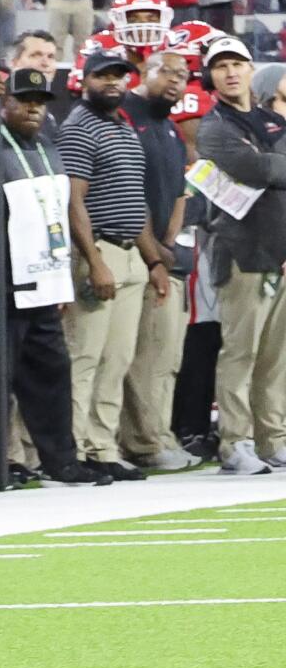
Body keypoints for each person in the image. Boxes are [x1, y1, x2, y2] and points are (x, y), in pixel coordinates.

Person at [0, 70, 116, 489]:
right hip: (3, 277)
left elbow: (58, 209)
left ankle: (61, 461)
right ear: (5, 103)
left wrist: (61, 277)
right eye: (23, 99)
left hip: (44, 278)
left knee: (52, 374)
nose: (34, 107)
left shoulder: (48, 147)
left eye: (40, 100)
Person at [59, 50, 171, 480]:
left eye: (119, 76)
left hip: (129, 255)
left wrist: (153, 260)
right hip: (100, 250)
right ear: (84, 79)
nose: (112, 82)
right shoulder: (79, 127)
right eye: (103, 75)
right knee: (85, 356)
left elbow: (134, 199)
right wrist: (93, 262)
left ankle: (102, 446)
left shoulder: (123, 125)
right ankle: (75, 450)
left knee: (117, 360)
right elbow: (74, 201)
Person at [194, 36, 286, 474]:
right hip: (241, 252)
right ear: (210, 76)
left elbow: (270, 171)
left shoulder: (271, 121)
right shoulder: (214, 127)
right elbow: (257, 170)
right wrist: (269, 164)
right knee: (241, 352)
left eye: (238, 63)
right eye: (220, 66)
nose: (230, 72)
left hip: (280, 252)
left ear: (252, 70)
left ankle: (273, 438)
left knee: (276, 355)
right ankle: (235, 442)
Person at [117, 49, 201, 471]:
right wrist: (155, 255)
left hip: (162, 252)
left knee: (165, 355)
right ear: (142, 73)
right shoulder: (126, 117)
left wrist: (169, 245)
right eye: (166, 71)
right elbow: (129, 191)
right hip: (135, 252)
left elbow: (178, 193)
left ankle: (158, 433)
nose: (175, 81)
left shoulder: (167, 127)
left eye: (183, 75)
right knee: (142, 355)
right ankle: (144, 442)